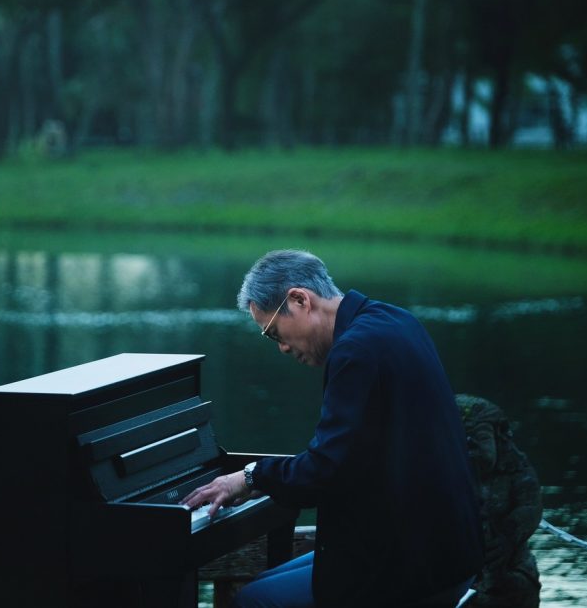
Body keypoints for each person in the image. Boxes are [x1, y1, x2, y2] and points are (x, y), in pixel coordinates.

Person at [182, 249, 483, 607]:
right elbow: (350, 458)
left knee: (255, 601)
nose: (281, 347)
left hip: (410, 566)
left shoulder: (356, 351)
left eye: (274, 332)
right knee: (264, 582)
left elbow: (325, 470)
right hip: (442, 549)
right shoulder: (395, 320)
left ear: (300, 300)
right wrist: (265, 480)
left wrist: (248, 478)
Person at [455, 395, 542, 607]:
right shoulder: (446, 473)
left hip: (509, 563)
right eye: (463, 438)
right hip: (458, 568)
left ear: (498, 437)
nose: (471, 446)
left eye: (480, 437)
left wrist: (508, 535)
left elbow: (530, 506)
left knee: (514, 589)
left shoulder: (515, 470)